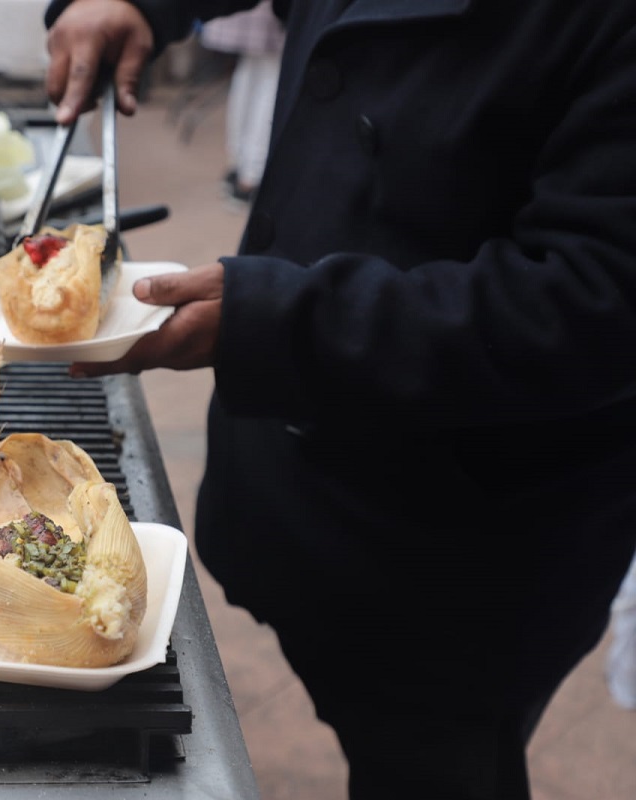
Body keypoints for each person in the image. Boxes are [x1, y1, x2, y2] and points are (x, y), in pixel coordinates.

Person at [44, 1, 636, 798]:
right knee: (344, 680)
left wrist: (276, 324)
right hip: (307, 474)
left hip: (465, 540)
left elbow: (595, 304)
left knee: (433, 760)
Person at [199, 2, 285, 204]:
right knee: (271, 74)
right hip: (272, 13)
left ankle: (239, 163)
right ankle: (251, 177)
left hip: (251, 12)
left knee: (252, 69)